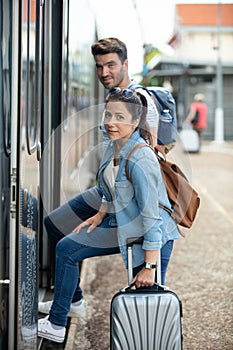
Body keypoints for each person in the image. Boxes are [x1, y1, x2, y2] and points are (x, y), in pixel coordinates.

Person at [38, 88, 179, 343]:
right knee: (66, 246)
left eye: (120, 117)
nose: (111, 122)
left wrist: (149, 266)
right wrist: (100, 214)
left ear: (135, 122)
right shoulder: (113, 144)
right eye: (108, 114)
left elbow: (152, 218)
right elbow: (110, 187)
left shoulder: (141, 158)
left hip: (150, 236)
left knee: (146, 309)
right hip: (125, 222)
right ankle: (63, 314)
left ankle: (57, 324)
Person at [38, 38, 160, 315]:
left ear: (126, 64)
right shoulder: (112, 101)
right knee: (55, 222)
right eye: (99, 66)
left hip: (133, 196)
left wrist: (149, 261)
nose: (104, 72)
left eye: (111, 65)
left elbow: (153, 160)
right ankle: (73, 299)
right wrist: (104, 208)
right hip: (110, 189)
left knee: (147, 296)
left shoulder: (142, 103)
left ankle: (67, 306)